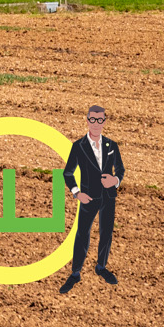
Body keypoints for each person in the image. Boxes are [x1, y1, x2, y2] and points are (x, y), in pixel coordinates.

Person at [59, 105, 123, 293]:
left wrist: (115, 180)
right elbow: (68, 173)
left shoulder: (112, 146)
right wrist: (77, 193)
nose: (96, 123)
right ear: (87, 120)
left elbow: (120, 170)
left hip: (108, 197)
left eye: (100, 120)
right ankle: (75, 272)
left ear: (104, 121)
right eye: (93, 119)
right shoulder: (78, 146)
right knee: (82, 234)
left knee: (106, 232)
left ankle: (101, 267)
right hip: (88, 198)